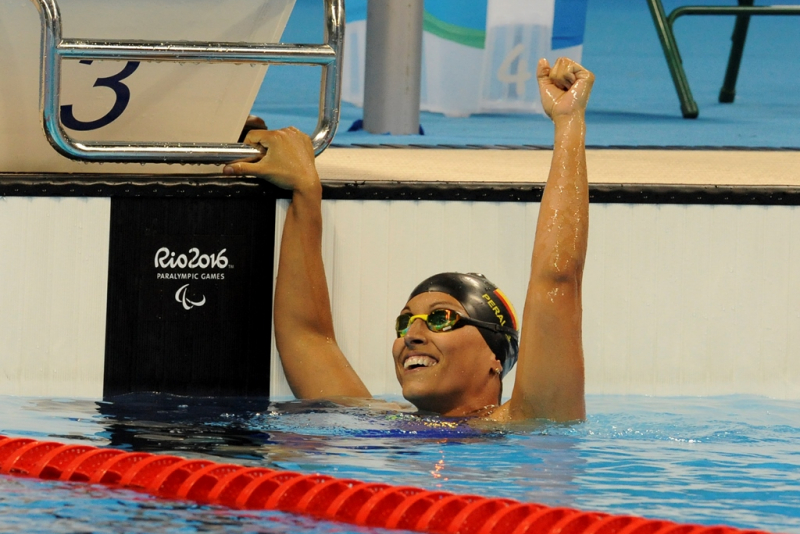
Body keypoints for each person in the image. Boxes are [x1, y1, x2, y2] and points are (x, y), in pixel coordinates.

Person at [224, 57, 593, 422]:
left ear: (495, 358)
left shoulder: (534, 423)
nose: (412, 335)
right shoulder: (373, 419)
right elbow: (307, 336)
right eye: (404, 322)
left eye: (442, 319)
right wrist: (305, 189)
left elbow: (558, 277)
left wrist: (568, 122)